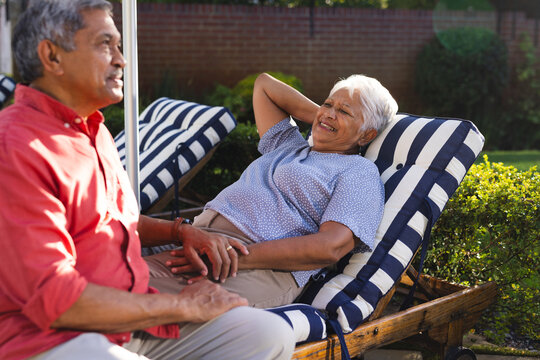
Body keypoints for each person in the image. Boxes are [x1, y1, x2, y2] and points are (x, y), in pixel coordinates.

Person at [0, 1, 294, 359]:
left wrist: (180, 231)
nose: (121, 59)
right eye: (105, 44)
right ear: (52, 56)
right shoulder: (15, 147)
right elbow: (55, 299)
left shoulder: (96, 133)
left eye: (119, 46)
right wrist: (182, 306)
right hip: (56, 337)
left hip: (134, 319)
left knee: (266, 333)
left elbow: (113, 220)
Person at [144, 72, 398, 308]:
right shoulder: (288, 145)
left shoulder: (359, 172)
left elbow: (330, 247)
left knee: (134, 286)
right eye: (328, 103)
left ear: (367, 136)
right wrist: (326, 119)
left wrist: (236, 256)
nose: (330, 112)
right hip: (202, 239)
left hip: (255, 266)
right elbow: (264, 85)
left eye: (344, 111)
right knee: (111, 254)